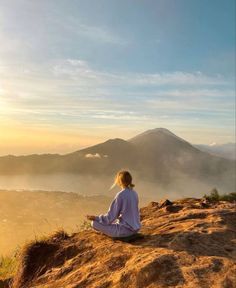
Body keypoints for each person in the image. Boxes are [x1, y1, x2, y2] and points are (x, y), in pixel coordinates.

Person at [86, 170, 141, 238]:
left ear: (120, 181)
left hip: (124, 231)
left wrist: (95, 218)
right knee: (114, 222)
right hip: (135, 229)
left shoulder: (120, 195)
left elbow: (110, 217)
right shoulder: (134, 193)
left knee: (94, 223)